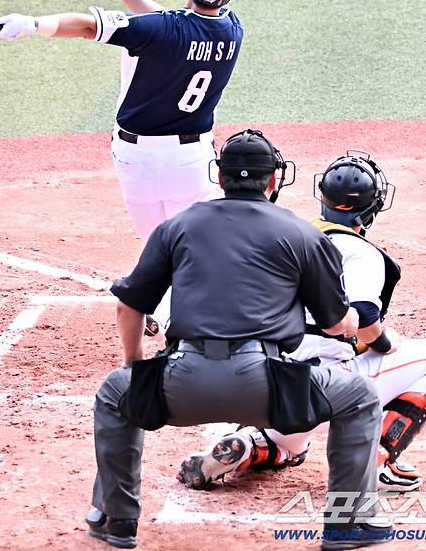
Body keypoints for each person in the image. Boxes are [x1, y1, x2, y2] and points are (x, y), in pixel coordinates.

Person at [86, 131, 391, 551]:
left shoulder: (178, 225)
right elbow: (338, 323)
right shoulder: (302, 234)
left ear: (221, 177)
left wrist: (135, 365)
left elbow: (129, 306)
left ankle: (116, 519)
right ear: (273, 181)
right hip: (269, 393)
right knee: (359, 397)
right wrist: (361, 317)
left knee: (113, 395)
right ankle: (348, 525)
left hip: (180, 385)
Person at [0, 0, 243, 333]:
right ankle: (186, 325)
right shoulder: (232, 31)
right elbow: (175, 26)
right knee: (201, 250)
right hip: (192, 163)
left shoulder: (163, 30)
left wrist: (32, 24)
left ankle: (159, 307)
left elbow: (90, 26)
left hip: (134, 160)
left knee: (156, 243)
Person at [177, 150, 426, 499]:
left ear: (321, 195)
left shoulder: (286, 235)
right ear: (373, 207)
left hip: (254, 383)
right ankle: (377, 462)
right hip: (324, 389)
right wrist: (386, 343)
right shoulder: (361, 253)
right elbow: (365, 319)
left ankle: (250, 445)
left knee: (293, 446)